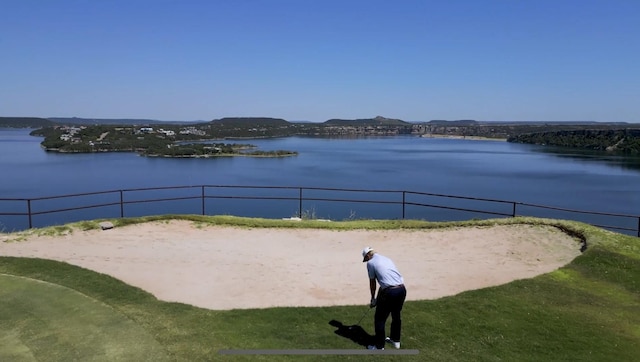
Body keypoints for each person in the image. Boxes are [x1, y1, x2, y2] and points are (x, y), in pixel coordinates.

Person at [362, 246, 406, 350]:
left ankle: (379, 347)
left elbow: (372, 283)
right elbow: (389, 278)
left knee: (379, 319)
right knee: (396, 315)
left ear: (368, 255)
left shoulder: (371, 263)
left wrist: (373, 299)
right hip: (401, 289)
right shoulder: (386, 259)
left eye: (366, 258)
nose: (366, 261)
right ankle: (396, 341)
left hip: (389, 292)